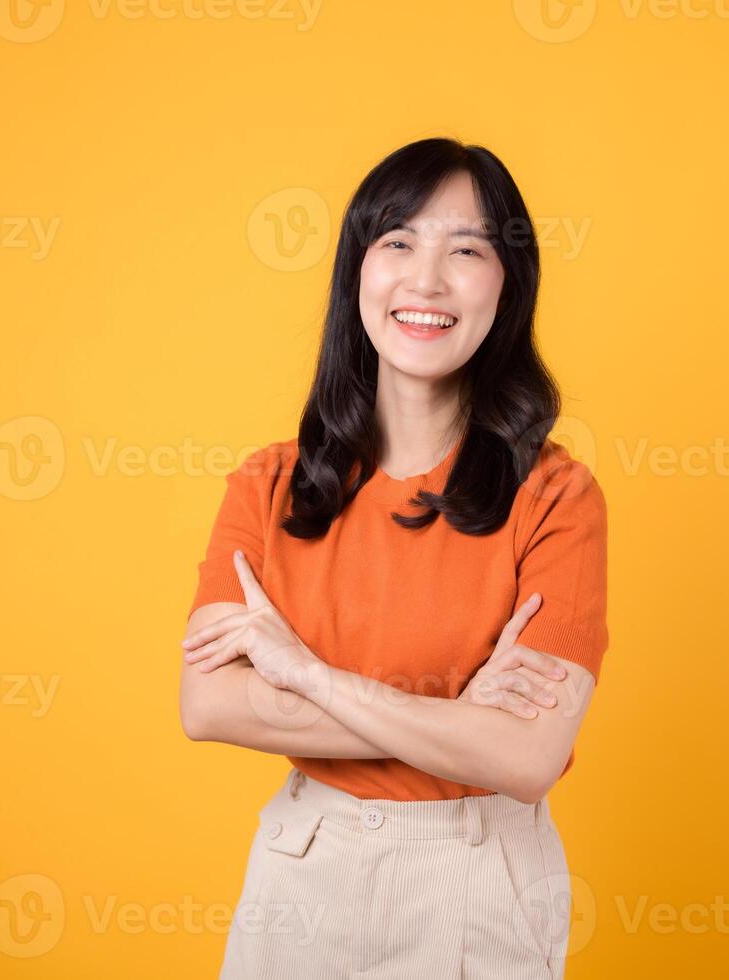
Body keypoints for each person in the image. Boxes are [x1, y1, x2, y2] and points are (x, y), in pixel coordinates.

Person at [179, 136, 608, 980]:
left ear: (507, 287)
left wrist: (304, 674)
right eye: (398, 242)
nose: (427, 281)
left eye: (467, 250)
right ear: (358, 273)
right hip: (302, 868)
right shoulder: (267, 485)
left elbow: (523, 760)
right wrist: (458, 718)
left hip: (474, 881)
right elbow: (207, 705)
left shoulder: (558, 497)